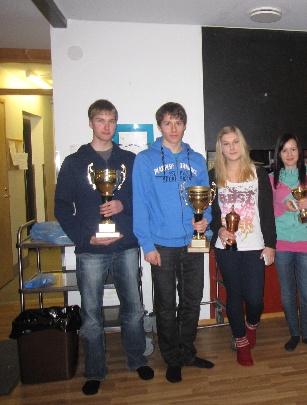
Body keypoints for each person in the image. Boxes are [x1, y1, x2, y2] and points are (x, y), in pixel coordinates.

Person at [54, 99, 154, 396]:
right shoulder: (74, 162)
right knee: (92, 315)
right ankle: (95, 370)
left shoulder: (131, 160)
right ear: (90, 123)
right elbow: (61, 208)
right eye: (100, 120)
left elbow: (144, 199)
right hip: (91, 250)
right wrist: (84, 238)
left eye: (111, 121)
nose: (106, 126)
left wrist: (123, 205)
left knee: (133, 308)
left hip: (125, 246)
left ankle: (137, 359)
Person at [132, 102, 214, 384]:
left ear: (185, 125)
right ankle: (172, 358)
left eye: (178, 122)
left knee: (192, 301)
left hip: (193, 241)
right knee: (166, 305)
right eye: (168, 123)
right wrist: (147, 245)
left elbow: (206, 200)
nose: (174, 128)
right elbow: (140, 204)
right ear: (160, 126)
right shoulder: (145, 160)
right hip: (162, 245)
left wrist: (205, 222)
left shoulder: (197, 160)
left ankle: (187, 352)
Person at [209, 125, 276, 367]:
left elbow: (267, 213)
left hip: (255, 245)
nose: (231, 147)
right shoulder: (213, 175)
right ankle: (241, 342)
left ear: (242, 143)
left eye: (235, 142)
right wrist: (218, 229)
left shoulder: (259, 174)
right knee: (234, 296)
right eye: (226, 143)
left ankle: (251, 325)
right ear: (221, 148)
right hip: (226, 247)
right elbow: (211, 212)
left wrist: (270, 244)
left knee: (255, 299)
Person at [271, 133, 307, 352]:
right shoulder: (272, 179)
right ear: (279, 154)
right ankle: (294, 333)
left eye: (293, 149)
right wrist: (284, 207)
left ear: (299, 152)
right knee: (287, 293)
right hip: (282, 243)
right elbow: (268, 213)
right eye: (285, 150)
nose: (289, 154)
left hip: (306, 242)